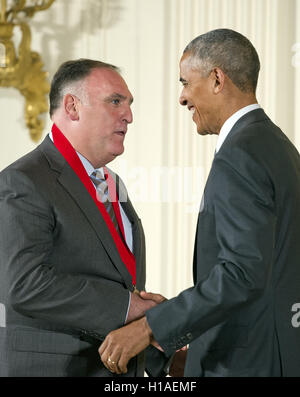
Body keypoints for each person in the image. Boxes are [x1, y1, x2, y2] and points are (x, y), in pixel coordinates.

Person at [99, 29, 300, 377]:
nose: (182, 98)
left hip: (248, 363)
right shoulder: (277, 145)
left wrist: (151, 328)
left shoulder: (240, 153)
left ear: (217, 79)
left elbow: (242, 272)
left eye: (186, 83)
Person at [0, 59, 167, 377]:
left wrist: (156, 348)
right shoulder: (23, 181)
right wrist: (129, 307)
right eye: (115, 101)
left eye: (129, 104)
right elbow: (22, 285)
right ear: (72, 107)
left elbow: (119, 278)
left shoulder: (113, 183)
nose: (129, 116)